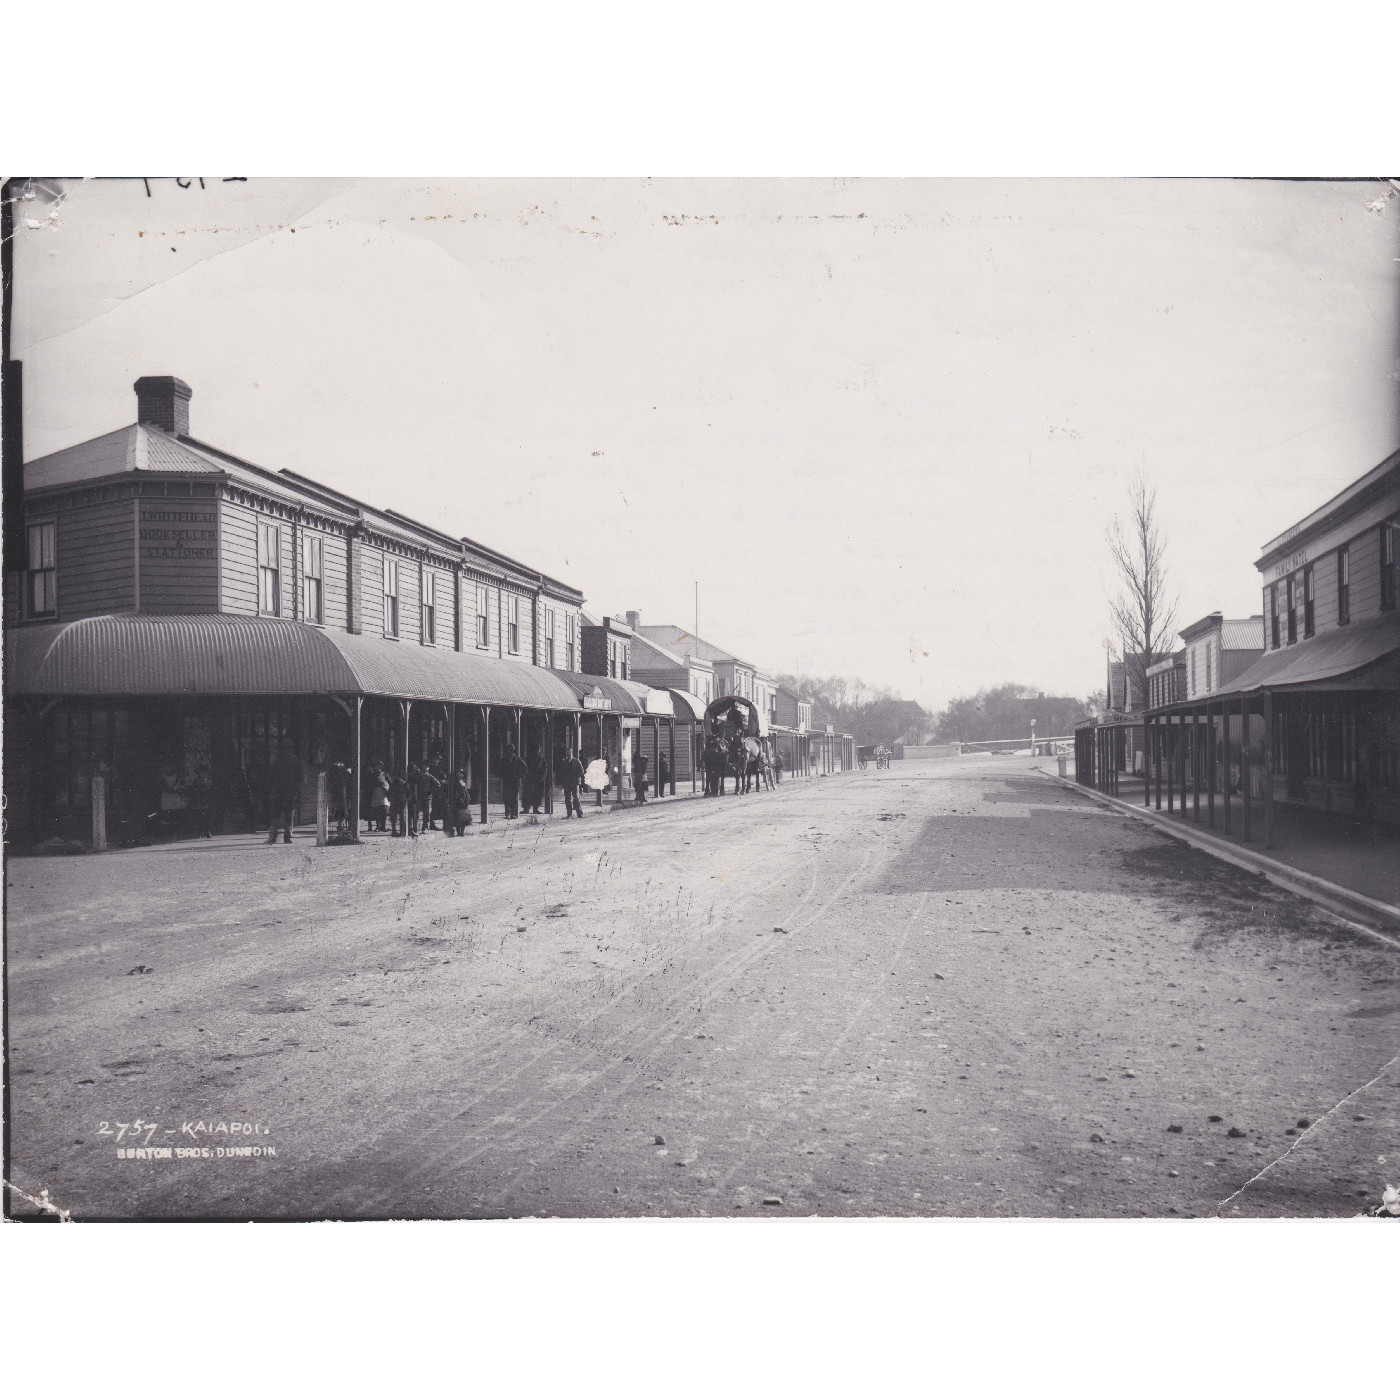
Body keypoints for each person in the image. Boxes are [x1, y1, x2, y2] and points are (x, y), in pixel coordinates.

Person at [265, 739, 304, 845]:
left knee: (275, 815)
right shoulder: (296, 762)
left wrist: (270, 790)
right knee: (289, 815)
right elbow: (301, 778)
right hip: (290, 793)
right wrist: (297, 791)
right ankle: (288, 837)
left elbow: (270, 777)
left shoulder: (277, 761)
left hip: (277, 793)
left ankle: (273, 837)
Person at [499, 743, 528, 819]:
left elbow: (525, 768)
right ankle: (507, 814)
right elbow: (499, 769)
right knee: (507, 797)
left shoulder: (517, 759)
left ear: (513, 751)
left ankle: (513, 814)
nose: (510, 752)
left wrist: (519, 776)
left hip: (515, 781)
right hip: (507, 781)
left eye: (511, 750)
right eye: (508, 750)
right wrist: (503, 776)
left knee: (514, 798)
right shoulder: (504, 760)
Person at [447, 767, 472, 836]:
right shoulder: (455, 783)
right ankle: (458, 832)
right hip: (458, 801)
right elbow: (455, 792)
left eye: (461, 774)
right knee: (458, 817)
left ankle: (462, 832)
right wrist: (460, 798)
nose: (460, 775)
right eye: (459, 773)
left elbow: (466, 792)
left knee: (463, 817)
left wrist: (467, 798)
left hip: (464, 801)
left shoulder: (463, 782)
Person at [561, 749, 585, 818]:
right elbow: (562, 772)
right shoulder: (564, 762)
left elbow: (581, 771)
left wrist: (576, 778)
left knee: (576, 798)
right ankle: (569, 814)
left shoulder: (577, 761)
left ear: (572, 753)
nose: (568, 755)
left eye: (569, 753)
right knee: (567, 798)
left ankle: (580, 813)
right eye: (567, 753)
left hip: (574, 782)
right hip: (567, 782)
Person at [367, 764, 390, 833]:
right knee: (377, 810)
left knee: (384, 810)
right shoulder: (372, 774)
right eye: (376, 767)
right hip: (375, 792)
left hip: (383, 793)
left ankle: (383, 826)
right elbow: (370, 783)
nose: (377, 768)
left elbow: (389, 781)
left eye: (379, 767)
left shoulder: (384, 774)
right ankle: (378, 826)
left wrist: (384, 784)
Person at [525, 749, 548, 814]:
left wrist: (542, 778)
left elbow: (545, 769)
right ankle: (526, 809)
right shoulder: (528, 759)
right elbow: (525, 768)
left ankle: (535, 809)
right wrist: (527, 776)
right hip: (530, 780)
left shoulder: (542, 760)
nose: (536, 752)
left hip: (538, 781)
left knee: (537, 795)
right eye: (535, 750)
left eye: (538, 750)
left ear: (539, 751)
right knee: (528, 795)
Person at [388, 769, 410, 837]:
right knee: (401, 817)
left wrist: (390, 799)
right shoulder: (405, 783)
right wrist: (406, 799)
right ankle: (401, 832)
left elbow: (388, 793)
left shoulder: (393, 783)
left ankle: (394, 831)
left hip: (395, 801)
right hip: (401, 801)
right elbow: (409, 793)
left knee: (393, 817)